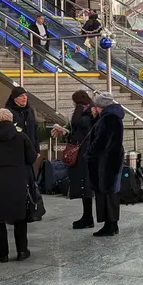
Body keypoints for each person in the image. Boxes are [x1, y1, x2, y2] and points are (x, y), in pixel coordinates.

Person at [0, 108, 37, 262]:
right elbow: (31, 158)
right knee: (20, 218)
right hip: (18, 181)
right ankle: (22, 251)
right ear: (11, 120)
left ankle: (2, 254)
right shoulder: (21, 137)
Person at [50, 90, 97, 228]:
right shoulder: (88, 114)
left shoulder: (85, 115)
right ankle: (88, 216)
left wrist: (76, 111)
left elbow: (79, 128)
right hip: (84, 154)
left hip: (85, 155)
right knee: (84, 185)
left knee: (85, 184)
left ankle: (88, 217)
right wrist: (65, 131)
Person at [85, 91, 125, 237]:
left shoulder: (108, 118)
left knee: (106, 192)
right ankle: (111, 224)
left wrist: (89, 153)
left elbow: (101, 141)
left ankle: (110, 225)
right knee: (110, 192)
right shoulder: (111, 116)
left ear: (100, 106)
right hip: (112, 159)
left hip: (105, 161)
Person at [6, 86, 39, 152]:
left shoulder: (30, 111)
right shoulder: (8, 112)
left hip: (30, 149)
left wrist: (37, 149)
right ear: (15, 98)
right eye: (21, 96)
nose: (24, 98)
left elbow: (35, 130)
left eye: (25, 95)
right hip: (16, 150)